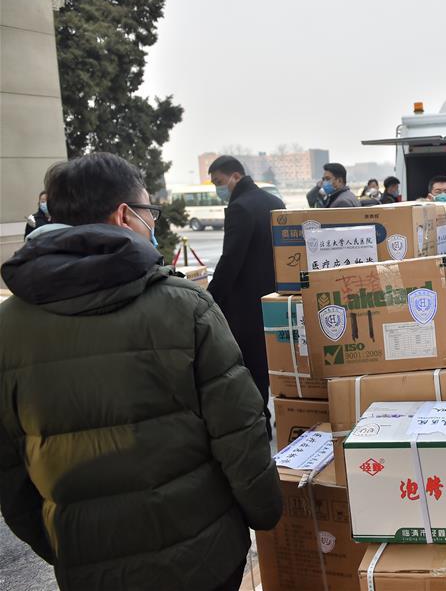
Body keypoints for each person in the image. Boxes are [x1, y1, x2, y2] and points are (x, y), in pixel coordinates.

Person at [0, 153, 282, 591]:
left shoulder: (8, 325)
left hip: (87, 563)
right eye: (149, 211)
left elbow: (9, 467)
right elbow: (240, 429)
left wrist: (60, 543)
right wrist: (264, 513)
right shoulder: (185, 305)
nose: (151, 220)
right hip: (202, 556)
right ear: (124, 214)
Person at [207, 155, 286, 438]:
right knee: (272, 363)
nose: (219, 189)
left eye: (219, 182)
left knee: (251, 368)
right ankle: (282, 417)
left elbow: (231, 260)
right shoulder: (274, 202)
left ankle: (259, 424)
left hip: (246, 303)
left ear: (235, 177)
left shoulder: (240, 207)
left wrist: (211, 296)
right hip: (275, 298)